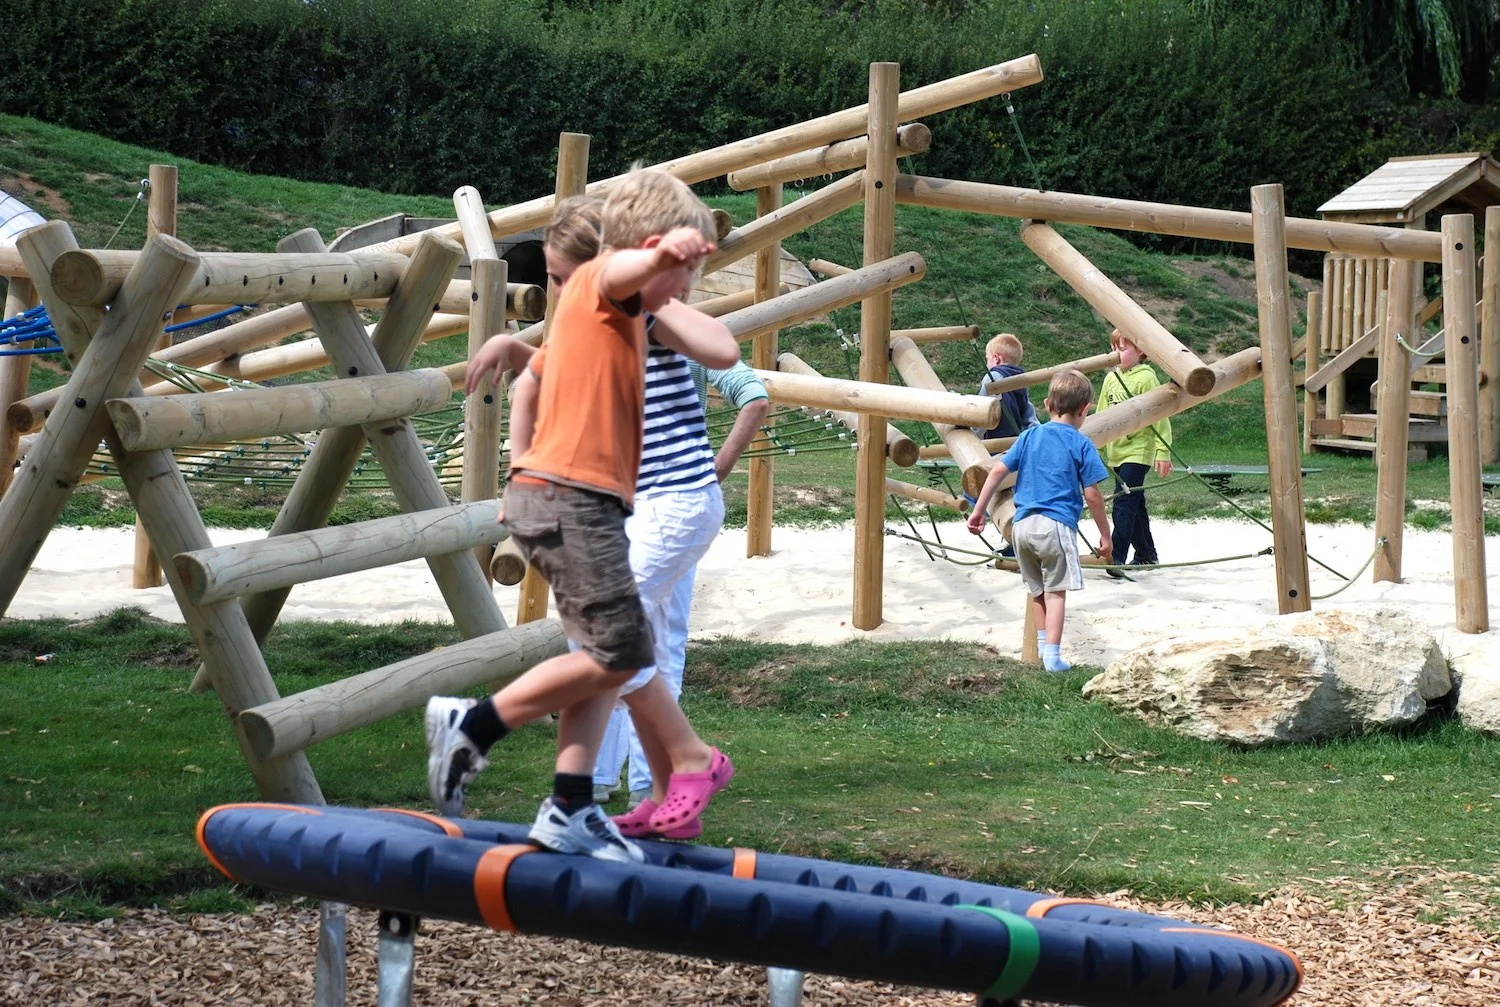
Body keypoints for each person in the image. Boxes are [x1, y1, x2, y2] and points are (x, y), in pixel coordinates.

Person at [425, 172, 740, 862]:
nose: (682, 292)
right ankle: (476, 725)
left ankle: (576, 800)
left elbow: (710, 348)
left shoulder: (619, 310)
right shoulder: (610, 280)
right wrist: (661, 260)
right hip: (583, 500)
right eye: (686, 277)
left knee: (611, 650)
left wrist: (526, 354)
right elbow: (623, 273)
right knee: (618, 651)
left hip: (607, 502)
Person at [595, 356, 768, 822]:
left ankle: (638, 779)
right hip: (636, 503)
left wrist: (717, 468)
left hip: (657, 504)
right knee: (637, 638)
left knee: (640, 638)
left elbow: (754, 398)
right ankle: (621, 776)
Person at [966, 369, 1111, 673]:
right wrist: (1105, 535)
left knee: (1038, 591)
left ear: (1046, 404)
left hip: (1021, 527)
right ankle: (1054, 657)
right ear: (1085, 410)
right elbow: (1093, 495)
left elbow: (996, 472)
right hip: (1054, 526)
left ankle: (1045, 648)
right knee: (1057, 591)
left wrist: (979, 510)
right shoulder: (1081, 443)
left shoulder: (1029, 435)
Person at [1099, 329, 1172, 573]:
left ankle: (1116, 555)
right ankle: (1146, 555)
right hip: (1117, 450)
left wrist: (1163, 451)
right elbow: (1102, 414)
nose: (1115, 354)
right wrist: (1094, 444)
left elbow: (1160, 415)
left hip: (1139, 450)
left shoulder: (1146, 378)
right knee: (1135, 503)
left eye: (1121, 348)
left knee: (1123, 502)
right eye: (1113, 348)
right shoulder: (1110, 379)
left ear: (1140, 351)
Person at [975, 332, 1039, 440]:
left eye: (987, 359)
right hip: (1012, 444)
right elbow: (1028, 414)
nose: (987, 364)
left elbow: (983, 411)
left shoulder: (992, 377)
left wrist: (974, 436)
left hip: (993, 444)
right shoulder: (1020, 381)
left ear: (996, 358)